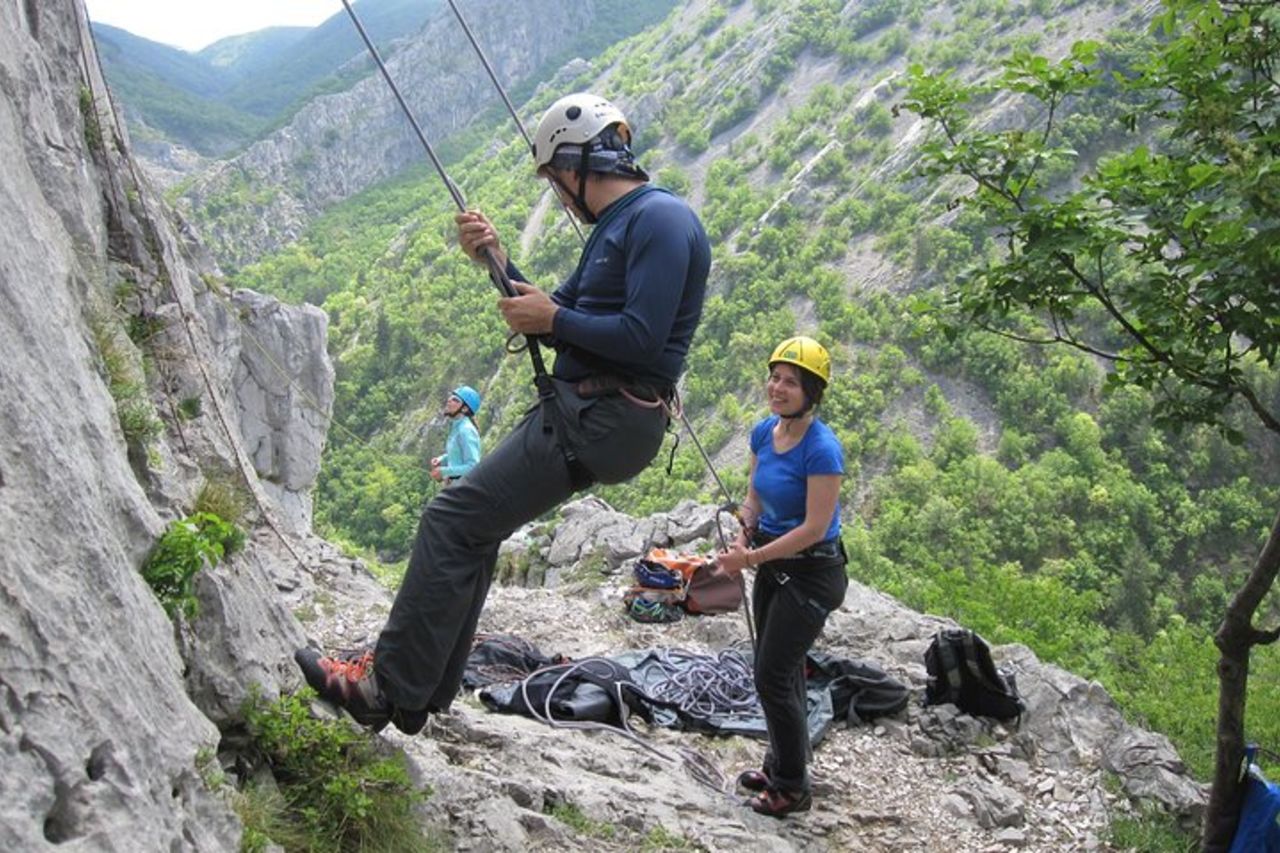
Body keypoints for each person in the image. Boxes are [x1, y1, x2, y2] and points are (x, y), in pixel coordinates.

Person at [296, 92, 711, 734]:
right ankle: (419, 691)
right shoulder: (622, 226)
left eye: (552, 177)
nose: (556, 191)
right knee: (474, 528)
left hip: (603, 413)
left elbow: (642, 338)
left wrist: (556, 318)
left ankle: (384, 688)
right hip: (597, 413)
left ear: (575, 163)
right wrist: (494, 258)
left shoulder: (657, 220)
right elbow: (549, 316)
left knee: (451, 519)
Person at [716, 336, 848, 818]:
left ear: (812, 391)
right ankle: (780, 765)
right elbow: (754, 497)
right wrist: (744, 532)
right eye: (775, 377)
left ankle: (792, 786)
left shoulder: (822, 450)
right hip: (774, 566)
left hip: (812, 575)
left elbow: (814, 528)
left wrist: (748, 561)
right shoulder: (762, 434)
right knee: (781, 670)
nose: (778, 387)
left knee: (771, 675)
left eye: (791, 382)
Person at [430, 385, 482, 484]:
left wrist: (444, 471)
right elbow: (458, 455)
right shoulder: (457, 427)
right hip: (455, 489)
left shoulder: (466, 430)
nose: (449, 400)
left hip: (464, 493)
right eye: (451, 397)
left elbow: (473, 466)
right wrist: (441, 460)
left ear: (465, 409)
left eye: (455, 400)